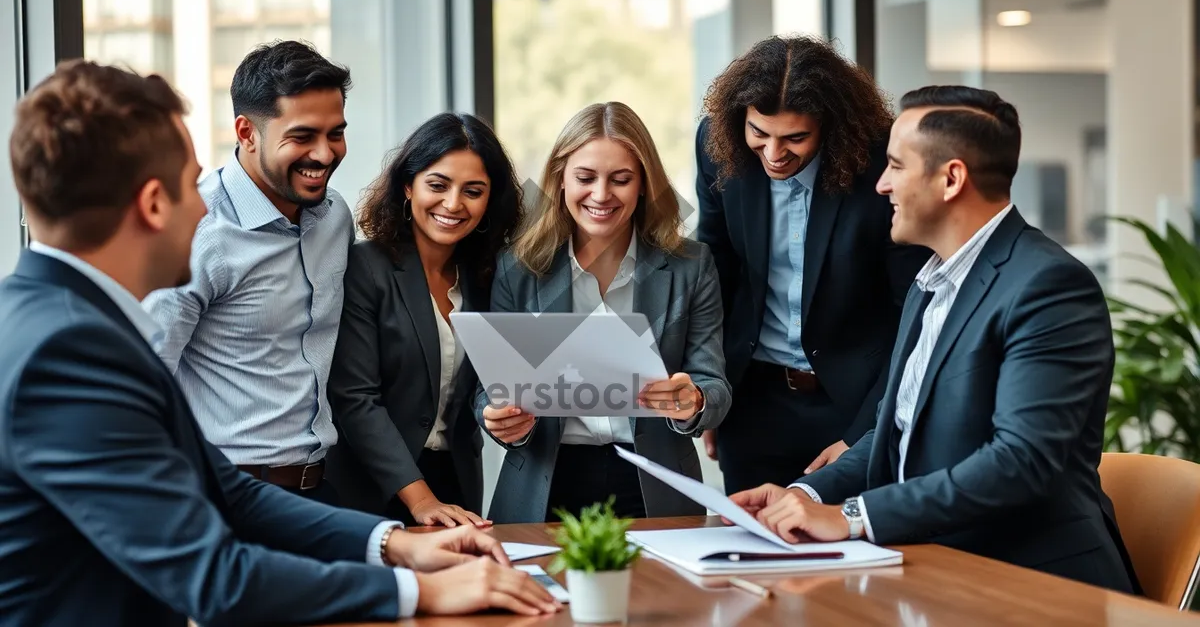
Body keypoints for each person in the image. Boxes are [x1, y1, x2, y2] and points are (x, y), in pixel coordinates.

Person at [0, 60, 560, 626]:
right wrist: (421, 592)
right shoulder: (68, 355)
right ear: (152, 204)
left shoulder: (65, 324)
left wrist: (397, 544)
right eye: (189, 184)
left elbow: (228, 491)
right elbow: (214, 578)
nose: (204, 205)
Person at [730, 85, 1140, 594]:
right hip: (936, 571)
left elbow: (1019, 462)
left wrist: (853, 516)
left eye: (896, 167)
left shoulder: (1048, 285)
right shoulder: (931, 281)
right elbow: (893, 429)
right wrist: (803, 495)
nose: (880, 186)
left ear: (951, 179)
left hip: (1032, 586)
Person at [694, 34, 931, 494]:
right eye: (759, 134)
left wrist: (865, 432)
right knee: (752, 552)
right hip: (754, 402)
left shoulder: (879, 160)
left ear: (831, 126)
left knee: (851, 556)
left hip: (855, 402)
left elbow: (913, 311)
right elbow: (715, 271)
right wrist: (712, 392)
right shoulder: (715, 142)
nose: (774, 154)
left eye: (795, 138)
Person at [476, 102, 732, 523]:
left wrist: (694, 399)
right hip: (544, 482)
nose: (601, 195)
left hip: (654, 483)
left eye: (621, 180)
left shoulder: (691, 265)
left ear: (644, 185)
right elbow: (487, 386)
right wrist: (495, 415)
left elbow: (714, 384)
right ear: (560, 180)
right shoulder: (517, 267)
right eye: (585, 177)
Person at [143, 40, 355, 501]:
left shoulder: (335, 216)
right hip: (226, 493)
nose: (324, 154)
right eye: (302, 137)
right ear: (246, 132)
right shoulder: (198, 230)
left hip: (320, 489)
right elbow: (147, 380)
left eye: (335, 133)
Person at [326, 113, 524, 526]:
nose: (453, 204)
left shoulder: (488, 279)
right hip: (370, 491)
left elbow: (486, 393)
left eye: (473, 191)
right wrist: (422, 502)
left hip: (456, 485)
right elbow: (355, 399)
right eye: (437, 185)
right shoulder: (366, 267)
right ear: (407, 185)